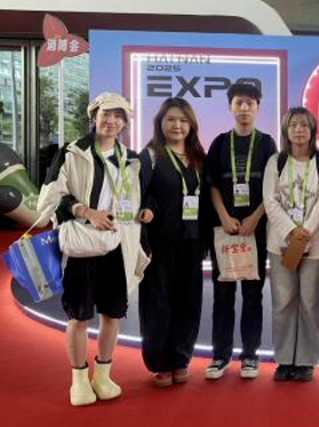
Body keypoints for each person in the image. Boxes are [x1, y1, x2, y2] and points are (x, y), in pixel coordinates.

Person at [38, 92, 152, 406]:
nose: (111, 121)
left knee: (112, 314)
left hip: (118, 245)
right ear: (94, 116)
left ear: (125, 123)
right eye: (106, 114)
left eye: (118, 116)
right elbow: (49, 199)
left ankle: (103, 376)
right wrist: (86, 212)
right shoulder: (72, 152)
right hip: (81, 246)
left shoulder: (132, 160)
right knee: (79, 316)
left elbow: (139, 200)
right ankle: (78, 380)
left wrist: (145, 211)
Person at [203, 82, 277, 380]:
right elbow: (212, 185)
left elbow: (272, 189)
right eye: (238, 103)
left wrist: (255, 219)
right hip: (225, 231)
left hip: (254, 232)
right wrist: (224, 216)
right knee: (222, 294)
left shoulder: (267, 144)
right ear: (230, 107)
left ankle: (250, 355)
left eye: (250, 103)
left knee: (253, 295)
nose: (244, 108)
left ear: (258, 107)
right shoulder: (220, 143)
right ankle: (220, 356)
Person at [263, 107, 319, 382]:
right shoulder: (276, 162)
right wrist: (292, 231)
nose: (299, 130)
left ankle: (306, 360)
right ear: (286, 130)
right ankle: (284, 359)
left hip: (315, 246)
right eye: (293, 125)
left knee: (310, 302)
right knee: (283, 302)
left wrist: (304, 234)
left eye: (304, 125)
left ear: (312, 130)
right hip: (281, 244)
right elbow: (270, 201)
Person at [138, 97, 206, 387]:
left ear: (191, 125)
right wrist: (147, 208)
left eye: (183, 120)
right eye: (171, 119)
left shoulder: (199, 157)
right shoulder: (150, 156)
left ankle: (180, 358)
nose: (177, 125)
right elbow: (139, 193)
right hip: (160, 242)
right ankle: (159, 362)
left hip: (193, 241)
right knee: (158, 301)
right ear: (160, 123)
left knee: (188, 302)